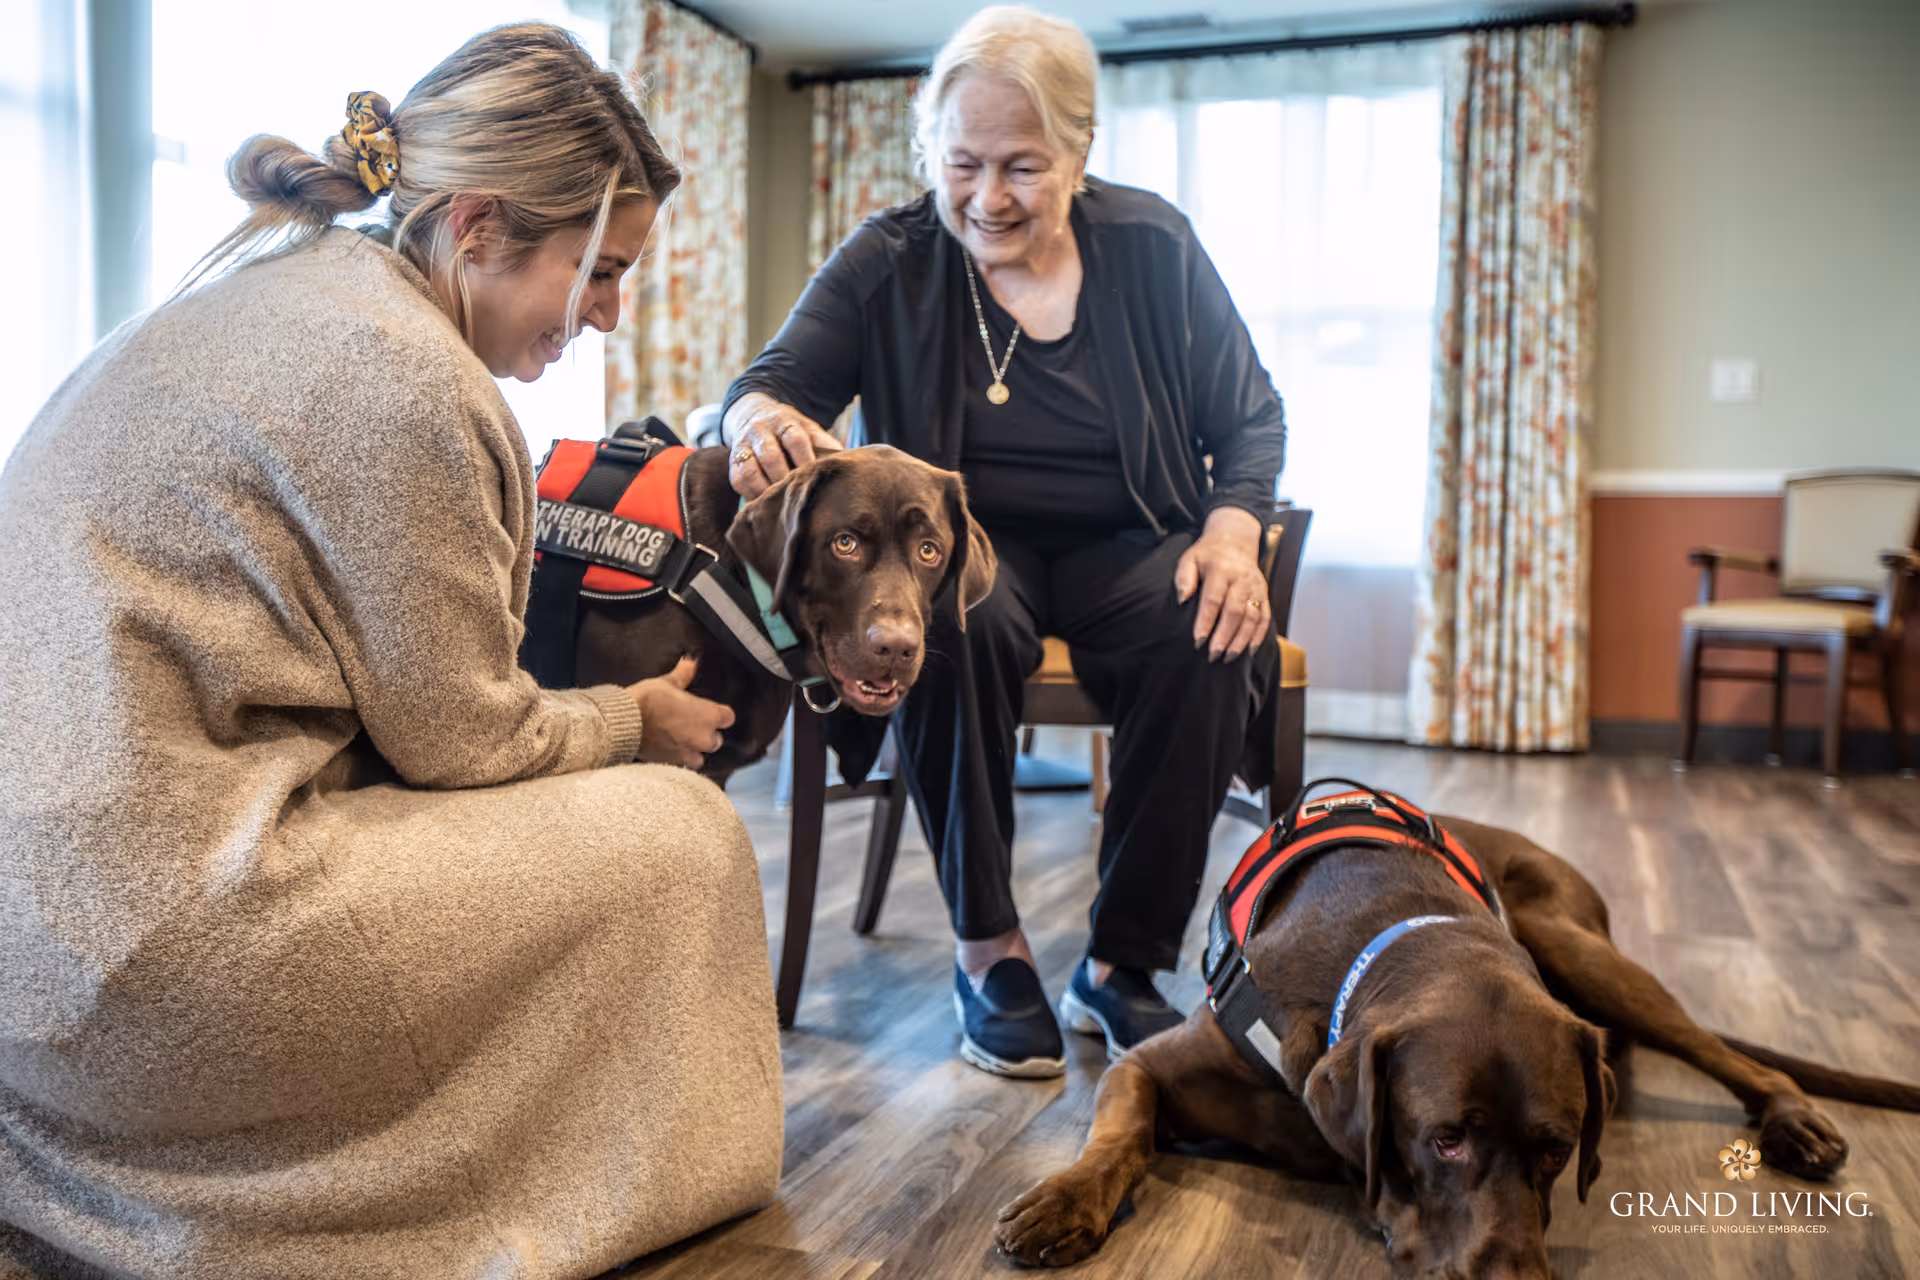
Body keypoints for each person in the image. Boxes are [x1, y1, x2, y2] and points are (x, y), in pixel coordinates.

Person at [0, 25, 782, 1279]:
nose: (607, 315)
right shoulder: (406, 376)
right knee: (687, 835)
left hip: (33, 953)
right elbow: (463, 741)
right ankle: (498, 1194)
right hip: (145, 962)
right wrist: (630, 720)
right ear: (476, 227)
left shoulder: (265, 291)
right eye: (597, 272)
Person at [724, 5, 1286, 1079]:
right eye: (963, 162)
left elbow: (1251, 419)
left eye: (1024, 165)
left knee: (1208, 630)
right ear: (928, 151)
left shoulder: (1154, 246)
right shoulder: (889, 258)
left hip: (1136, 538)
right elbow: (764, 387)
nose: (988, 197)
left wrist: (1229, 531)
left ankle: (1123, 962)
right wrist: (754, 424)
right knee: (952, 617)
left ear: (1082, 151)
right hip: (961, 549)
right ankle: (990, 951)